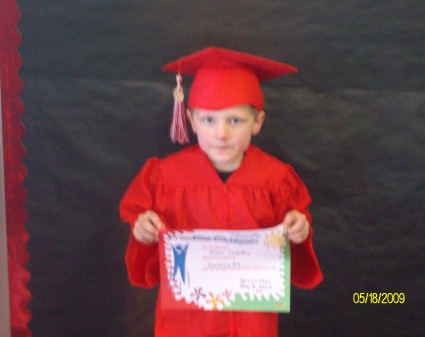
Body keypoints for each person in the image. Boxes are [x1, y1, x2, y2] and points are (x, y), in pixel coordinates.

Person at [120, 46, 323, 337]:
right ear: (191, 121)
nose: (221, 134)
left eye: (235, 120)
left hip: (253, 321)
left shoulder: (277, 180)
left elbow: (292, 249)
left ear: (257, 123)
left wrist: (299, 231)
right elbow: (147, 261)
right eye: (208, 120)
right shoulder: (164, 178)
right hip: (187, 324)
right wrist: (143, 232)